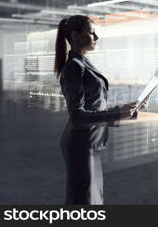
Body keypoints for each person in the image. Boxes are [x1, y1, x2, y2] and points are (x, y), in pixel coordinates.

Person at [54, 15, 139, 205]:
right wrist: (118, 114)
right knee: (83, 201)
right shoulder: (74, 67)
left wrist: (125, 110)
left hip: (90, 141)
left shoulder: (83, 62)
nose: (97, 37)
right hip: (80, 144)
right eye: (92, 33)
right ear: (75, 36)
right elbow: (77, 116)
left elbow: (95, 105)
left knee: (92, 198)